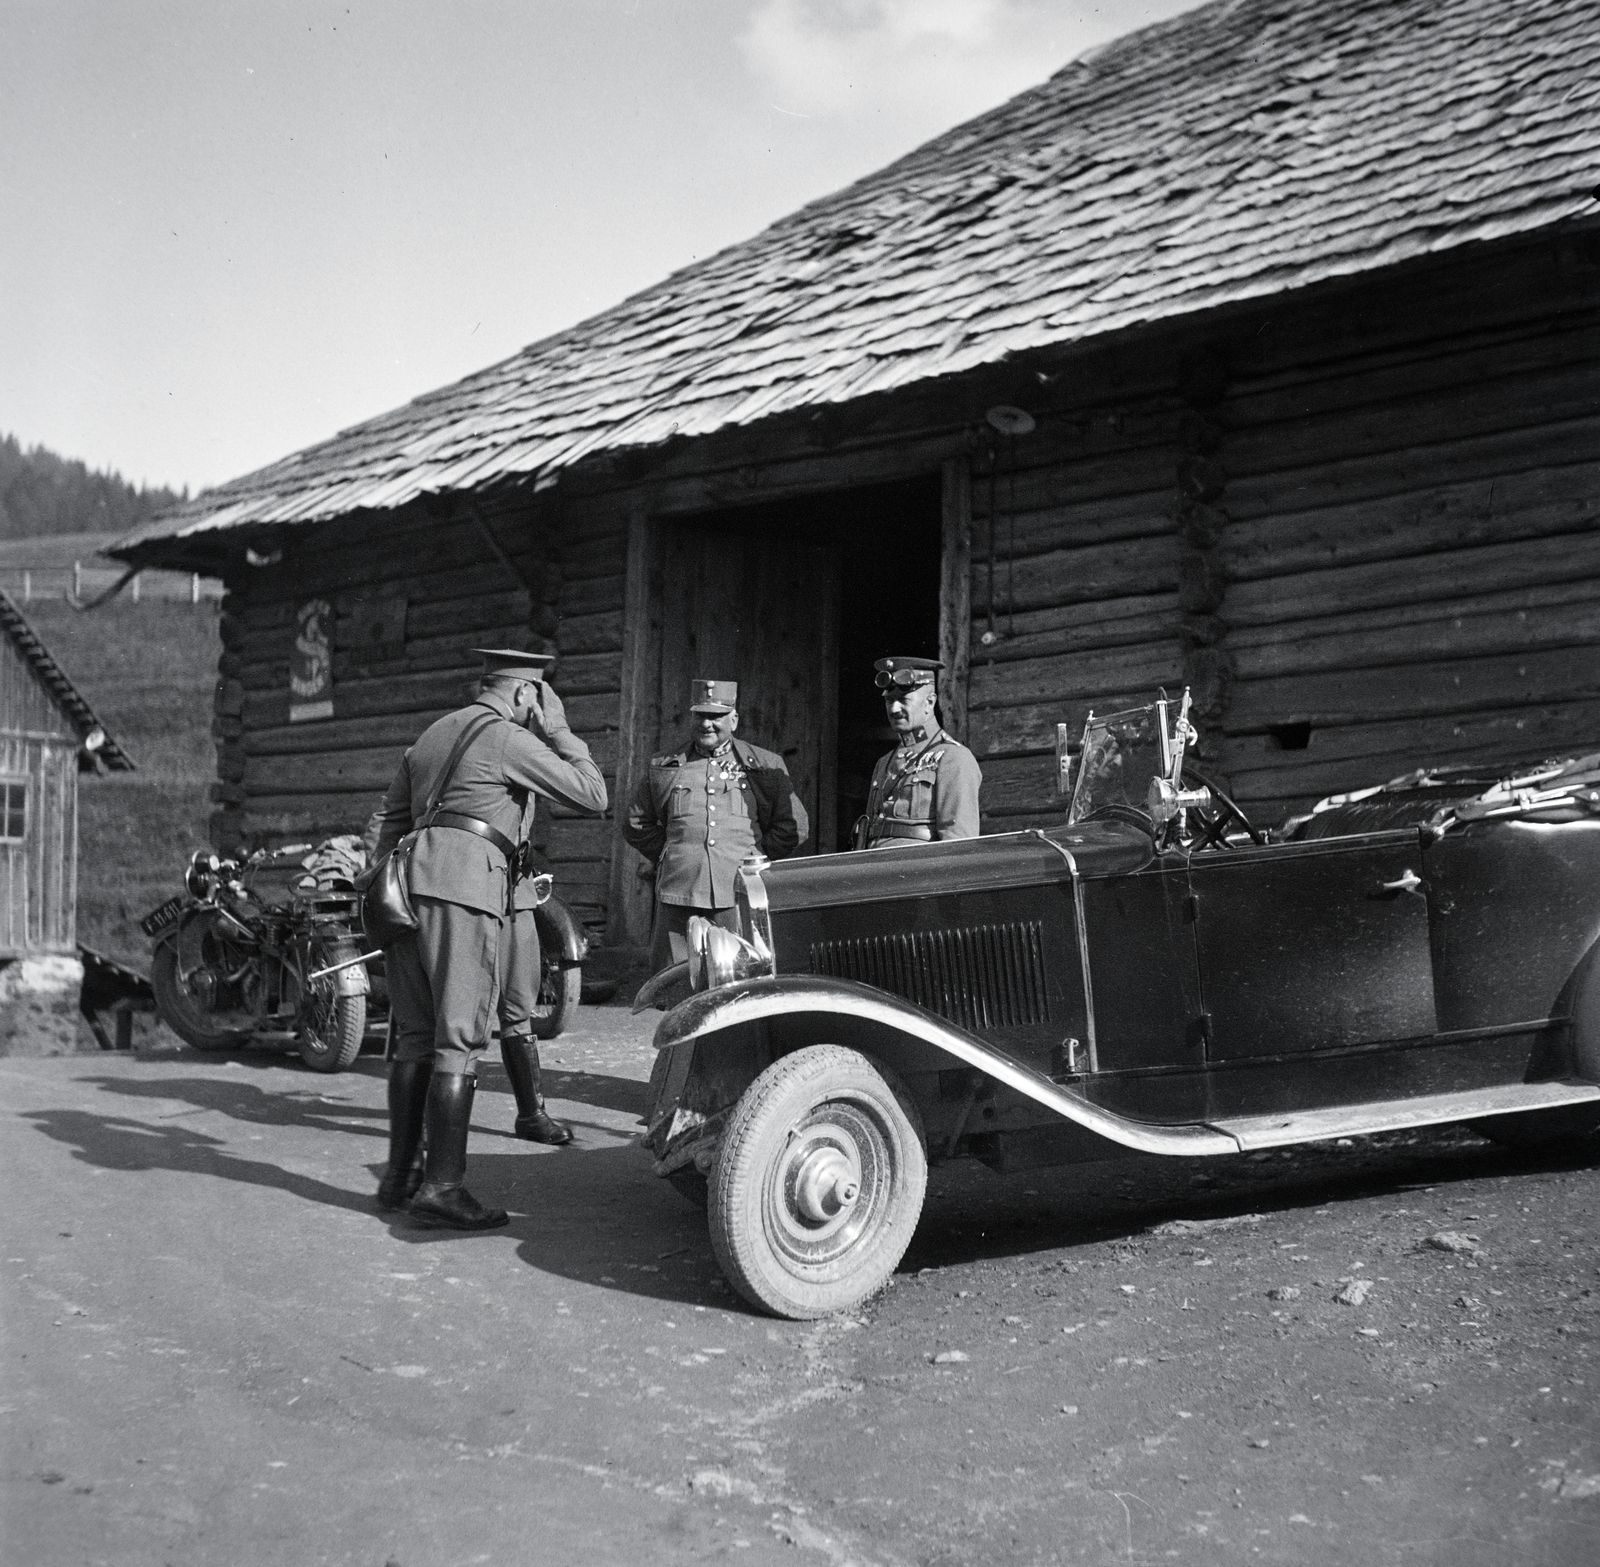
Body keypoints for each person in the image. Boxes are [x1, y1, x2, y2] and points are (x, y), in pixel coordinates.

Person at [366, 649, 608, 1230]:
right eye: (540, 698)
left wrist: (389, 883)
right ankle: (442, 1189)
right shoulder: (505, 737)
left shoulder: (431, 734)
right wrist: (561, 730)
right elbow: (592, 793)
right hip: (466, 889)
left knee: (416, 1037)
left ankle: (400, 1180)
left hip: (404, 889)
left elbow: (390, 821)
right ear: (526, 693)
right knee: (459, 1036)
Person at [622, 679, 808, 975]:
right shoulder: (666, 767)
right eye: (700, 716)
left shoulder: (762, 766)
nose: (707, 724)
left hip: (738, 895)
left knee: (741, 980)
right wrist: (673, 854)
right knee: (678, 982)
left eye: (716, 717)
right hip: (679, 892)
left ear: (733, 720)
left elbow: (794, 827)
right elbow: (636, 823)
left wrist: (754, 860)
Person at [854, 656, 982, 848]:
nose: (894, 709)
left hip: (917, 869)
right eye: (889, 700)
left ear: (929, 703)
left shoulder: (954, 758)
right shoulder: (885, 762)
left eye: (903, 700)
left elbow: (958, 842)